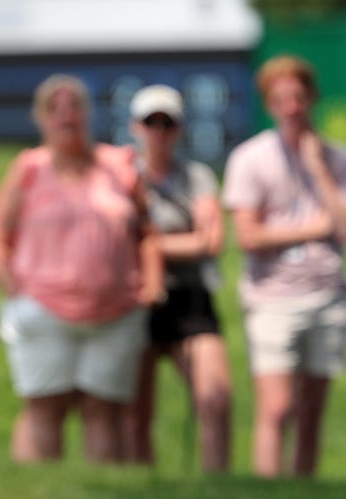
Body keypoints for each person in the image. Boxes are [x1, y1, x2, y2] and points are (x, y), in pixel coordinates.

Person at [0, 74, 163, 463]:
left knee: (105, 410)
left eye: (75, 106)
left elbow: (147, 231)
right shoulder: (29, 167)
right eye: (54, 108)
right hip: (43, 307)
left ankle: (101, 495)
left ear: (88, 113)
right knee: (44, 405)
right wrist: (10, 284)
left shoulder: (119, 165)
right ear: (41, 118)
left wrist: (152, 282)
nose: (66, 115)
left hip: (116, 311)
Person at [222, 55, 346, 478]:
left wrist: (319, 168)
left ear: (312, 99)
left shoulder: (341, 160)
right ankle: (268, 489)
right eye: (280, 99)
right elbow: (248, 236)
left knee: (312, 411)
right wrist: (314, 227)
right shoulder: (250, 159)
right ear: (269, 104)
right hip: (272, 297)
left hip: (328, 295)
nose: (291, 107)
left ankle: (303, 491)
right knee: (278, 406)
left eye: (298, 97)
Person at [122, 85, 231, 471]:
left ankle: (218, 485)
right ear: (137, 126)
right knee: (134, 413)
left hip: (190, 297)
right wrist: (178, 242)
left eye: (168, 123)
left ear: (180, 129)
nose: (160, 131)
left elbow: (213, 239)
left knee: (215, 398)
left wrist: (153, 245)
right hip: (136, 300)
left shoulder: (197, 176)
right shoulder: (122, 175)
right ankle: (142, 487)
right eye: (152, 122)